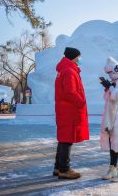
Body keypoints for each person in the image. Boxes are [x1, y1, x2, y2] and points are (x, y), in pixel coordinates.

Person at [53, 47, 89, 179]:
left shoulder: (64, 70)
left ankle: (58, 167)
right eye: (78, 57)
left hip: (65, 110)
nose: (79, 60)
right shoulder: (69, 71)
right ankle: (64, 169)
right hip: (69, 110)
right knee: (67, 139)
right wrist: (81, 102)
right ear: (73, 57)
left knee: (63, 138)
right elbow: (70, 92)